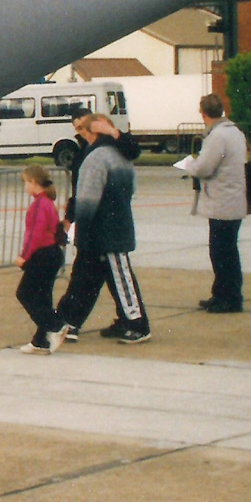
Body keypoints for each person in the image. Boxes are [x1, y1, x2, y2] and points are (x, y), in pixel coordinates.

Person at [54, 113, 150, 344]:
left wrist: (78, 228)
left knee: (107, 277)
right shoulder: (121, 155)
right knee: (92, 277)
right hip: (116, 225)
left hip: (102, 229)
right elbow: (132, 188)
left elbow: (86, 199)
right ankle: (71, 321)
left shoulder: (96, 158)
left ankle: (137, 324)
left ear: (91, 131)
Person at [186, 94, 248, 314]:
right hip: (232, 199)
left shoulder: (218, 136)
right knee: (226, 250)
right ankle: (222, 293)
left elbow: (204, 167)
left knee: (221, 253)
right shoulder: (235, 132)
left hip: (222, 201)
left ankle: (229, 297)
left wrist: (189, 166)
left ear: (203, 113)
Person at [14, 165, 68, 355]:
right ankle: (41, 340)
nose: (25, 186)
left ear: (34, 183)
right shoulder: (47, 202)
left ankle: (55, 325)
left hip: (43, 255)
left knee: (25, 293)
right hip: (52, 254)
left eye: (26, 182)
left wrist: (23, 256)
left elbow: (34, 235)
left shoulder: (39, 205)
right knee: (43, 297)